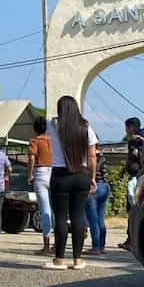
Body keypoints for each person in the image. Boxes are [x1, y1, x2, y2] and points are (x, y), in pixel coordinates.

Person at [43, 96, 98, 271]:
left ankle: (59, 259)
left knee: (60, 217)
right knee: (78, 216)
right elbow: (92, 156)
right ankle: (78, 259)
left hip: (60, 175)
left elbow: (46, 123)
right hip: (81, 174)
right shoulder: (86, 126)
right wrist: (92, 177)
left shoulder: (52, 125)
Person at [118, 117, 144, 250]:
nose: (125, 131)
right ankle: (132, 239)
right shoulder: (140, 139)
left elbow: (136, 158)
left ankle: (132, 240)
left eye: (126, 127)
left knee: (133, 209)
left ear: (131, 127)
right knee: (132, 209)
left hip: (137, 178)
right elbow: (130, 158)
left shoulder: (138, 140)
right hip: (137, 176)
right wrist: (123, 171)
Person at [27, 115, 54, 255]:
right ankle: (57, 243)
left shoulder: (34, 141)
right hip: (54, 172)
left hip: (40, 172)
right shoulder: (53, 141)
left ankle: (46, 245)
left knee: (45, 209)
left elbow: (32, 158)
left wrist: (29, 175)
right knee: (56, 209)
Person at [84, 148, 110, 255]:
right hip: (105, 186)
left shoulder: (90, 156)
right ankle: (102, 246)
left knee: (93, 220)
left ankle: (95, 247)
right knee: (100, 218)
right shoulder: (103, 156)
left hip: (94, 187)